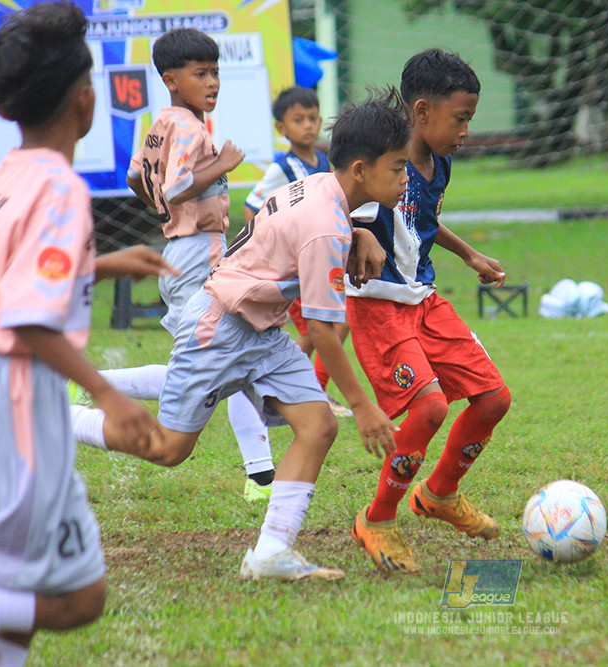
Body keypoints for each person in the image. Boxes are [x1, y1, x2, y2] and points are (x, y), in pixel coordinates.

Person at [72, 88, 407, 581]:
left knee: (318, 426)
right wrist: (362, 406)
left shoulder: (321, 188)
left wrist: (362, 233)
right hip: (220, 328)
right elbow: (323, 331)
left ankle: (271, 552)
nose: (405, 177)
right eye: (398, 167)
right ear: (360, 169)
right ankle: (61, 418)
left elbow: (317, 228)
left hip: (261, 330)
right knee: (169, 449)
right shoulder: (326, 229)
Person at [0, 3, 175, 665]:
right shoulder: (61, 188)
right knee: (77, 596)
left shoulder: (1, 177)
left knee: (24, 590)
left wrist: (101, 264)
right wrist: (108, 394)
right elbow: (26, 315)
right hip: (19, 392)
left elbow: (4, 276)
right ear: (86, 100)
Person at [348, 49, 511, 574]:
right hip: (379, 307)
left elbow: (422, 221)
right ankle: (377, 518)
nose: (465, 131)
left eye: (469, 119)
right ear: (421, 111)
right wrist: (354, 235)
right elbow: (341, 206)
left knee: (493, 398)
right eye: (460, 119)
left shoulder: (439, 162)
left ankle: (439, 494)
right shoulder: (380, 162)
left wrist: (469, 254)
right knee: (430, 408)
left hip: (424, 299)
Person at [99, 27, 278, 501]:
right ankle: (89, 390)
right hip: (201, 251)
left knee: (221, 360)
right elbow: (177, 187)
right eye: (201, 74)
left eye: (215, 72)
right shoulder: (191, 128)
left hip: (180, 251)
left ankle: (262, 473)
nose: (212, 82)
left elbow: (136, 176)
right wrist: (223, 165)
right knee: (223, 358)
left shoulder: (162, 122)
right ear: (171, 80)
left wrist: (164, 210)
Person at [244, 85, 353, 419]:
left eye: (313, 118)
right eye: (298, 119)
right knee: (321, 328)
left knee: (335, 324)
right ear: (282, 127)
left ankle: (300, 388)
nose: (308, 125)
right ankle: (305, 390)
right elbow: (252, 206)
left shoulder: (324, 162)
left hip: (320, 260)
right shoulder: (283, 167)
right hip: (297, 265)